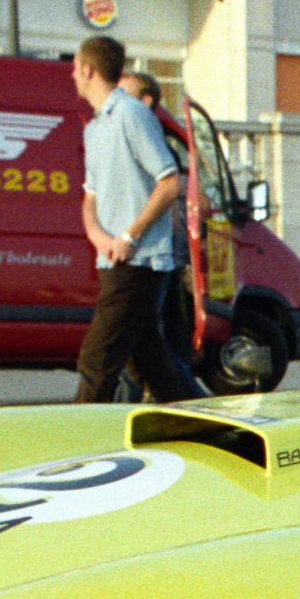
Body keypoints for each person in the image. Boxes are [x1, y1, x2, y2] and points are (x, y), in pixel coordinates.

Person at [70, 36, 205, 405]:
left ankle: (74, 440)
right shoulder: (94, 128)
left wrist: (128, 236)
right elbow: (90, 197)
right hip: (112, 257)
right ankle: (191, 423)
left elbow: (169, 182)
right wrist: (99, 237)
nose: (72, 76)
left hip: (140, 259)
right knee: (148, 357)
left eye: (74, 68)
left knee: (97, 359)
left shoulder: (131, 115)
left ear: (88, 70)